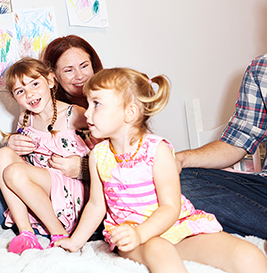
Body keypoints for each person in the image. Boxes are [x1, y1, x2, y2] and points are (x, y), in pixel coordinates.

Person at [55, 67, 267, 273]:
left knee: (247, 254)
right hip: (132, 234)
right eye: (88, 103)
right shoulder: (98, 155)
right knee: (159, 248)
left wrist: (145, 233)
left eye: (96, 104)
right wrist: (75, 241)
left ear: (129, 112)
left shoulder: (159, 150)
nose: (88, 112)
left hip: (176, 226)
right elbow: (95, 205)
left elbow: (170, 207)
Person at [0, 35, 103, 227]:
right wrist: (12, 144)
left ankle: (60, 228)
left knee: (5, 184)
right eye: (68, 70)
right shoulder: (31, 112)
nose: (79, 76)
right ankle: (31, 230)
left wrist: (83, 169)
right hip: (43, 184)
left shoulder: (91, 112)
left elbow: (123, 157)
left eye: (84, 66)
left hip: (85, 192)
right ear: (54, 76)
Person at [0, 57, 90, 254]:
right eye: (20, 91)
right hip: (41, 185)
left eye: (35, 83)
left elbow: (108, 140)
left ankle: (58, 233)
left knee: (14, 173)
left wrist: (82, 165)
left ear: (51, 81)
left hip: (69, 186)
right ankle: (26, 233)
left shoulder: (75, 114)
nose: (30, 93)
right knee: (1, 156)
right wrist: (12, 142)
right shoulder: (25, 118)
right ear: (14, 98)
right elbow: (21, 156)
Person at [176, 54, 267, 240]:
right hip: (263, 189)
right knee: (175, 181)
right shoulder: (261, 68)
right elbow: (235, 143)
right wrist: (179, 159)